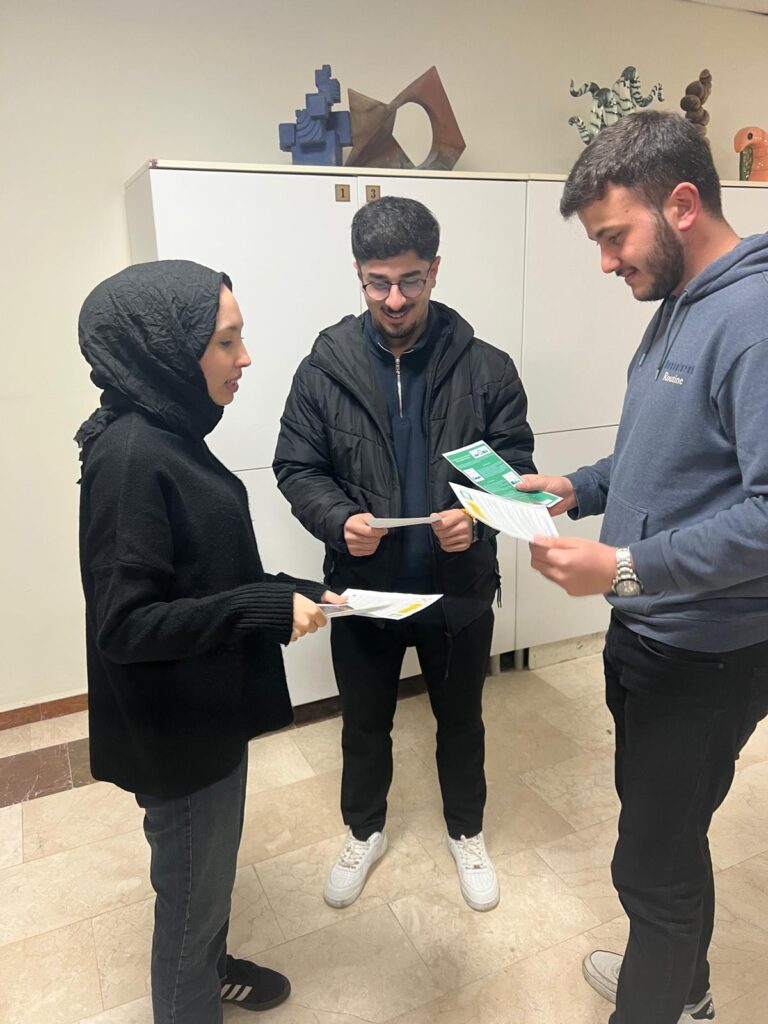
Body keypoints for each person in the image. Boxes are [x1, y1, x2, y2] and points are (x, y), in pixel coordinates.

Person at [518, 111, 768, 1024]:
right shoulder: (679, 304)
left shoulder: (755, 320)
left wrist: (621, 568)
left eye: (614, 236)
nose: (605, 261)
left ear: (684, 204)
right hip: (650, 636)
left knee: (650, 867)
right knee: (668, 837)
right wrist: (577, 487)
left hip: (707, 654)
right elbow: (666, 456)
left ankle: (660, 1004)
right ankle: (683, 987)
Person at [76, 260, 344, 1024]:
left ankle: (212, 966)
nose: (245, 358)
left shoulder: (171, 430)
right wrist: (261, 607)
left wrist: (294, 589)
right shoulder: (131, 458)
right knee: (188, 907)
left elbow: (202, 570)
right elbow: (126, 624)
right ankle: (192, 991)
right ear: (167, 349)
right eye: (227, 342)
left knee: (207, 883)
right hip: (178, 740)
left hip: (203, 715)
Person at [273, 195, 535, 912]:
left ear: (435, 271)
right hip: (365, 589)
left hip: (458, 590)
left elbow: (513, 469)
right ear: (359, 275)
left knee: (462, 722)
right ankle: (364, 831)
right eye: (378, 282)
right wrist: (338, 521)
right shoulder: (323, 369)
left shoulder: (488, 368)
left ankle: (467, 832)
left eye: (411, 280)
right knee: (364, 725)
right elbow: (297, 467)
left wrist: (476, 521)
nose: (394, 299)